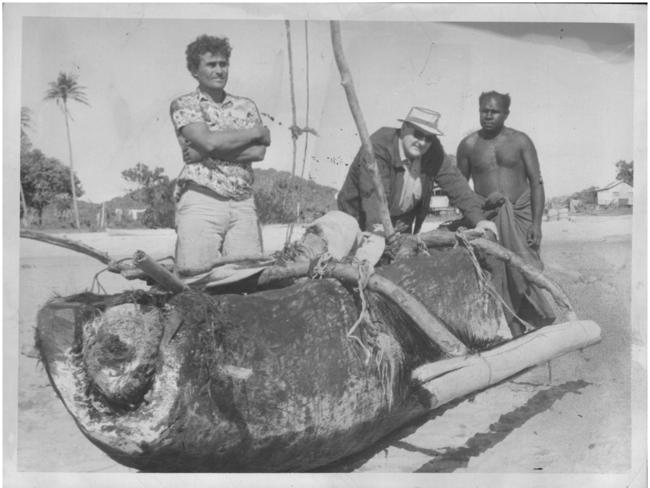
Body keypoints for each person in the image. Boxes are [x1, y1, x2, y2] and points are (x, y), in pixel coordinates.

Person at [170, 35, 271, 276]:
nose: (218, 70)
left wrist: (204, 150)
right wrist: (254, 132)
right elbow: (208, 141)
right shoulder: (185, 104)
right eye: (211, 64)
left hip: (243, 203)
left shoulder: (245, 105)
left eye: (223, 64)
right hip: (202, 200)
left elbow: (258, 152)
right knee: (195, 280)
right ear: (194, 70)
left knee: (246, 280)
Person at [456, 91, 555, 333]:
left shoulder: (521, 141)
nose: (488, 115)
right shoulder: (468, 145)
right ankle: (509, 330)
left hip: (521, 217)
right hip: (487, 219)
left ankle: (535, 326)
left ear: (506, 113)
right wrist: (478, 214)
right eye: (484, 111)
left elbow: (536, 183)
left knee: (524, 273)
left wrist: (536, 224)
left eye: (494, 111)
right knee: (494, 274)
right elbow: (460, 189)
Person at [337, 106, 493, 244]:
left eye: (429, 138)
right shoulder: (379, 145)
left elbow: (456, 185)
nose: (422, 142)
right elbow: (374, 195)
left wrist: (480, 221)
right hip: (360, 218)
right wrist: (378, 235)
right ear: (404, 128)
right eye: (418, 134)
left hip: (400, 224)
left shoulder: (433, 150)